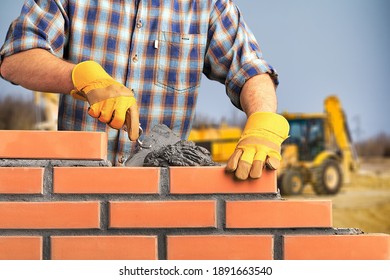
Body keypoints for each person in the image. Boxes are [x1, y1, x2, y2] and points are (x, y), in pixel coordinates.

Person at [0, 0, 289, 180]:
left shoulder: (207, 5)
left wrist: (263, 122)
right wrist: (81, 76)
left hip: (161, 196)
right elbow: (16, 57)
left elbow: (250, 70)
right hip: (76, 188)